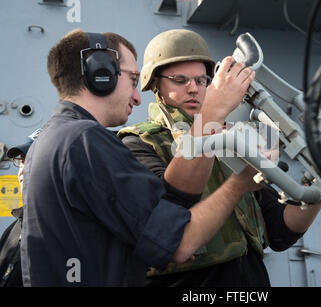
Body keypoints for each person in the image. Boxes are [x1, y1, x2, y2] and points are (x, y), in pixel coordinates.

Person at [21, 29, 257, 286]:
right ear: (101, 74)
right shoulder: (85, 141)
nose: (136, 97)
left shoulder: (52, 139)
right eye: (132, 80)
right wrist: (240, 183)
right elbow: (180, 243)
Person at [119, 29, 321, 286]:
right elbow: (166, 229)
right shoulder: (138, 144)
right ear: (156, 85)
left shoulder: (232, 140)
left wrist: (320, 180)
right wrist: (214, 119)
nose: (193, 89)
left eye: (201, 80)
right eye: (179, 79)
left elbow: (279, 231)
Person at [0, 129, 40, 287]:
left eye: (30, 161)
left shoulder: (68, 229)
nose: (21, 171)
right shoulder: (15, 227)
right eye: (21, 161)